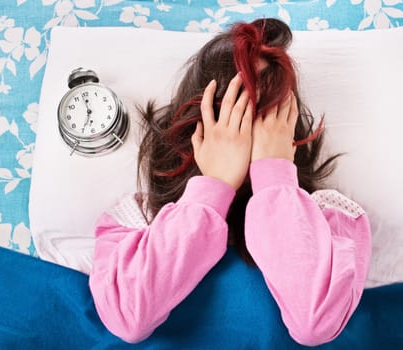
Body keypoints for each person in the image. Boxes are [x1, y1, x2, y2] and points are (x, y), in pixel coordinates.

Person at [89, 18, 371, 346]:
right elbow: (128, 319)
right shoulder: (135, 221)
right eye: (232, 114)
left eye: (265, 115)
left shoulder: (334, 221)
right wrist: (213, 185)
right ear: (199, 125)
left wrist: (274, 175)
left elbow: (315, 323)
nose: (247, 132)